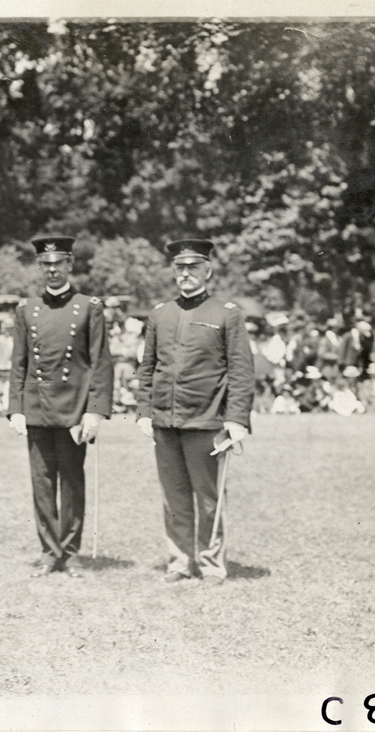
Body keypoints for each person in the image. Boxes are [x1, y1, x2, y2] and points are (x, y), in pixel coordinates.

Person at [135, 239, 254, 584]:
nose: (186, 274)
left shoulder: (226, 314)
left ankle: (211, 564)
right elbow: (148, 366)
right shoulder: (160, 314)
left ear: (208, 270)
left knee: (209, 499)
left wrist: (236, 419)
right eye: (180, 268)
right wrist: (144, 410)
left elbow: (241, 371)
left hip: (207, 419)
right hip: (165, 421)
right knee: (174, 498)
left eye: (193, 268)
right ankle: (179, 561)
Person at [8, 236, 114, 579]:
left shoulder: (89, 306)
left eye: (58, 264)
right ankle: (48, 552)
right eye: (46, 265)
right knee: (41, 485)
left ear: (69, 265)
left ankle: (70, 553)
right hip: (38, 409)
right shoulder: (26, 309)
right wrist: (16, 409)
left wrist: (95, 411)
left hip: (74, 409)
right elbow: (18, 363)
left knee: (71, 483)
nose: (52, 271)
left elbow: (100, 362)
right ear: (40, 268)